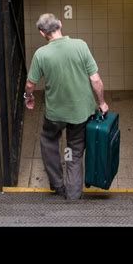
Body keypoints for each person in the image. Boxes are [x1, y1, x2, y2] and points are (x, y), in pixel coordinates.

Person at [24, 13, 108, 201]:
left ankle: (57, 185)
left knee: (48, 142)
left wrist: (28, 97)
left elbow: (30, 84)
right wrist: (101, 102)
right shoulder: (80, 45)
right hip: (80, 113)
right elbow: (95, 79)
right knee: (75, 152)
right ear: (60, 24)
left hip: (55, 114)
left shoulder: (41, 54)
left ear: (41, 33)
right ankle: (73, 195)